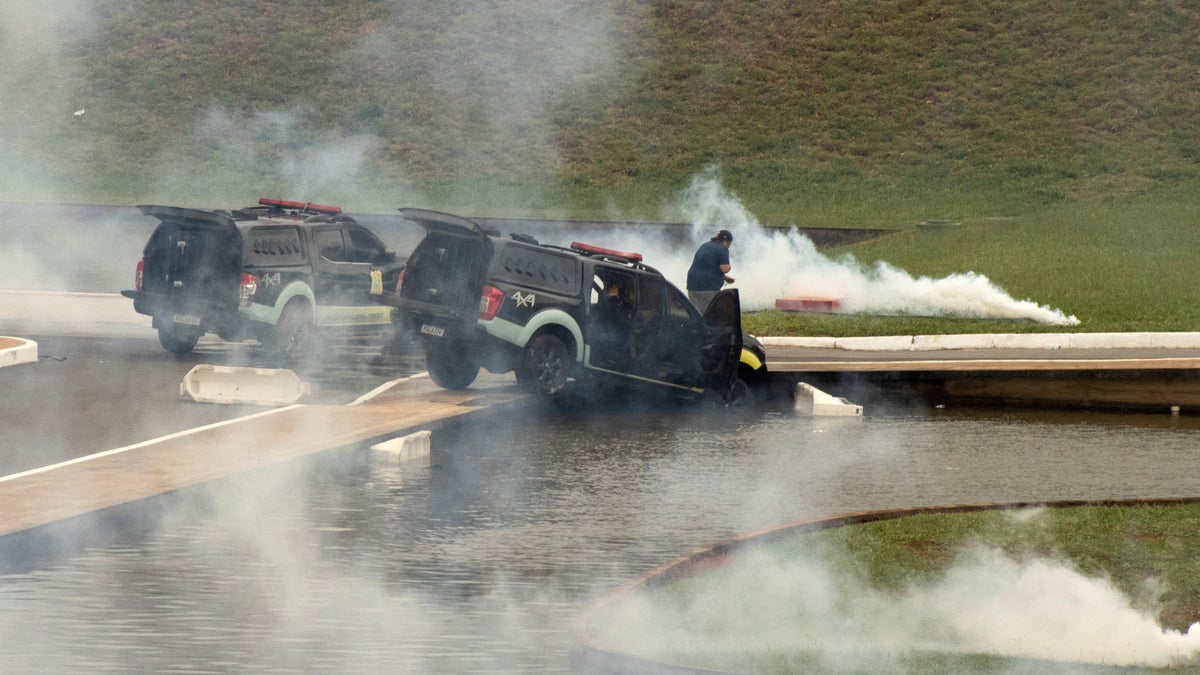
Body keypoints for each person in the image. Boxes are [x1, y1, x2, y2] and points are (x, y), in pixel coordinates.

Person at [686, 229, 734, 311]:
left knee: (696, 314)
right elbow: (725, 268)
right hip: (708, 288)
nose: (729, 246)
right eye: (729, 243)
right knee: (710, 314)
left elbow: (706, 267)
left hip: (692, 285)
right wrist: (729, 267)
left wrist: (724, 277)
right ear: (725, 241)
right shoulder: (722, 249)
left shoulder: (704, 246)